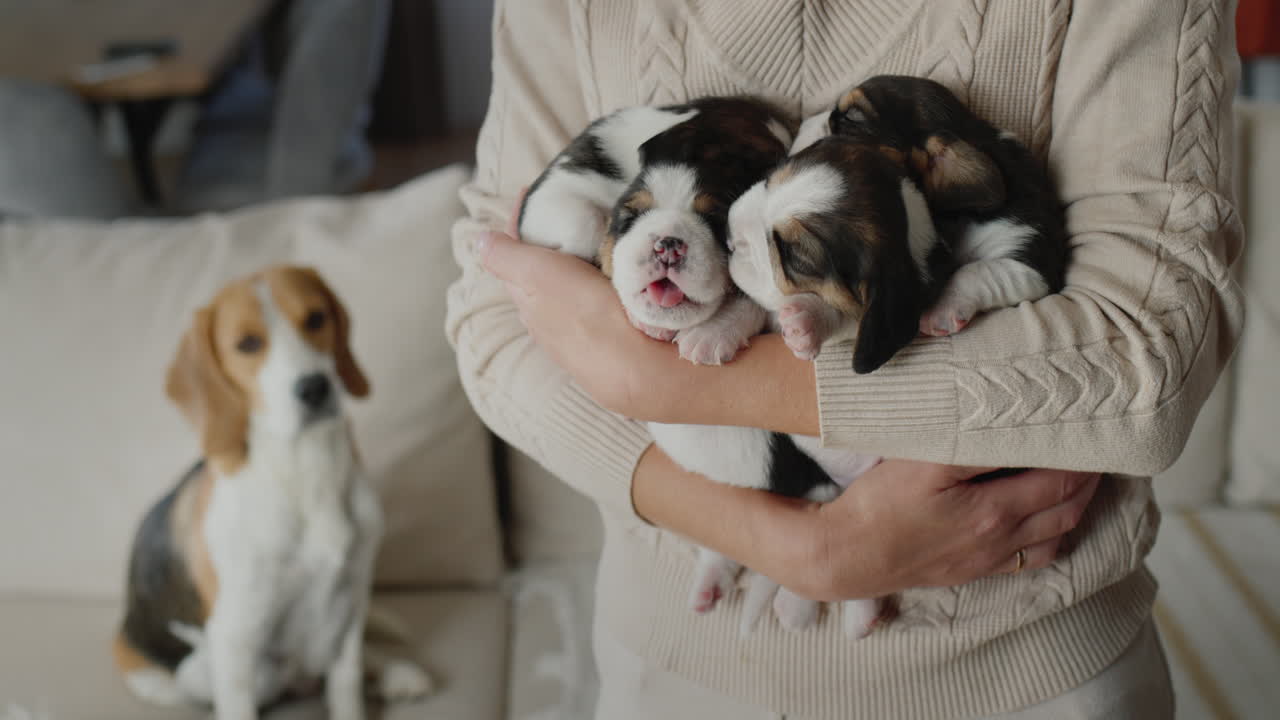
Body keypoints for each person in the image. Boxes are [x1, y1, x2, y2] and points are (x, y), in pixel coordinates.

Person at [446, 1, 1244, 718]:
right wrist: (800, 548)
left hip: (1031, 676)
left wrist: (666, 381)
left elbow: (1150, 363)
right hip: (678, 664)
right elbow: (488, 318)